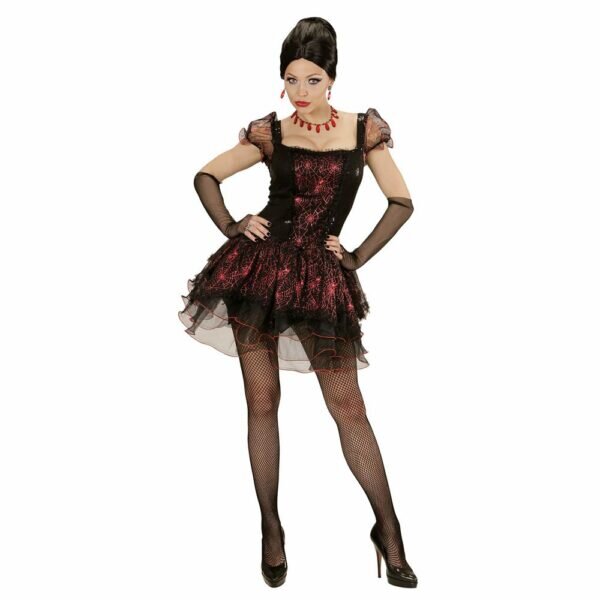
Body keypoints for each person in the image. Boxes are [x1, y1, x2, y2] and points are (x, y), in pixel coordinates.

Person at [178, 16, 417, 588]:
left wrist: (355, 257)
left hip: (321, 282)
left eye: (312, 80)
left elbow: (401, 202)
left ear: (331, 78)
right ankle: (271, 530)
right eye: (291, 79)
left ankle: (389, 531)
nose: (301, 91)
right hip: (257, 274)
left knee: (349, 407)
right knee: (262, 402)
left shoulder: (363, 131)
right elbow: (206, 176)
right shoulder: (272, 133)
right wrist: (233, 225)